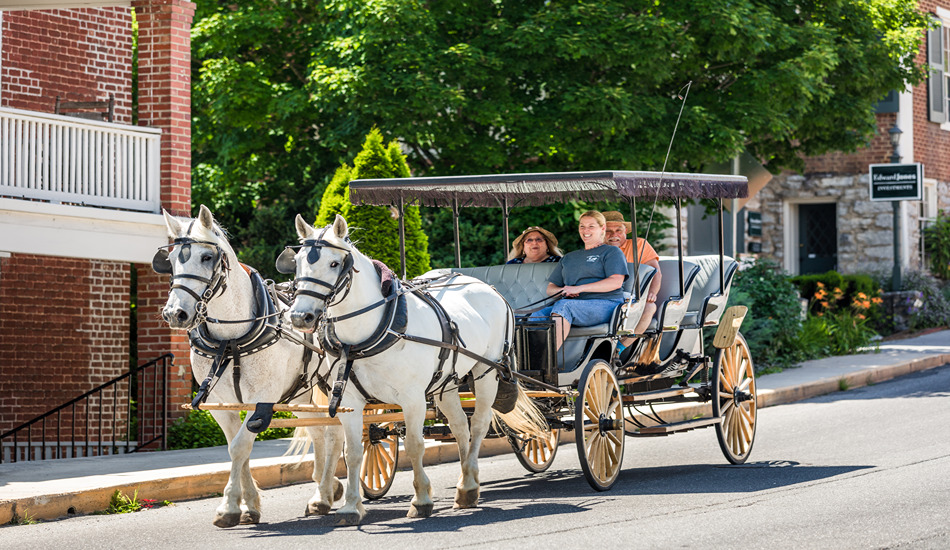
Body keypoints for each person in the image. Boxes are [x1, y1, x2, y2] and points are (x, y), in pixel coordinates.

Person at [531, 211, 628, 351]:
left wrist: (579, 288)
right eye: (582, 226)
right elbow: (550, 288)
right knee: (535, 316)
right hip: (573, 304)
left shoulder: (611, 252)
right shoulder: (569, 257)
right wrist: (563, 290)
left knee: (565, 306)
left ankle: (546, 362)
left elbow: (615, 282)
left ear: (602, 228)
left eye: (591, 226)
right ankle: (526, 361)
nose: (585, 230)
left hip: (607, 304)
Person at [602, 210, 662, 336]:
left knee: (650, 307)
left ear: (625, 232)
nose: (614, 234)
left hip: (634, 300)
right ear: (601, 233)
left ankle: (620, 349)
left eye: (618, 230)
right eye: (608, 231)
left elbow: (656, 272)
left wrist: (652, 293)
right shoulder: (596, 249)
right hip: (604, 299)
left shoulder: (638, 244)